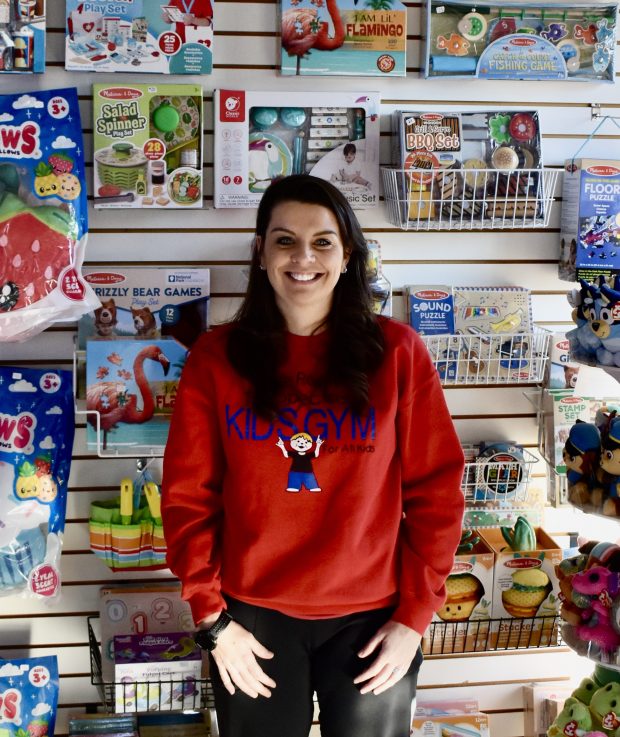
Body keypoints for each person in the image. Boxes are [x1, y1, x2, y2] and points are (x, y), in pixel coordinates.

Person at [161, 174, 465, 737]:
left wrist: (414, 619)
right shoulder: (214, 358)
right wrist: (211, 618)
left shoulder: (398, 352)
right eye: (284, 240)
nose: (303, 257)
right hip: (249, 620)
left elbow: (438, 492)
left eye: (322, 241)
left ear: (347, 254)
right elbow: (187, 498)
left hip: (375, 621)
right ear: (260, 252)